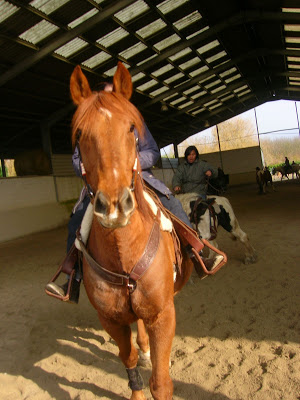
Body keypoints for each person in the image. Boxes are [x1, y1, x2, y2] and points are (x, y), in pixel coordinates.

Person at [45, 90, 222, 303]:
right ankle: (71, 277)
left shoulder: (134, 120)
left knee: (173, 205)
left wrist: (131, 161)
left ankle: (198, 254)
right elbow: (76, 159)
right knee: (77, 221)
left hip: (138, 179)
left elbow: (152, 152)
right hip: (101, 183)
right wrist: (88, 165)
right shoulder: (90, 121)